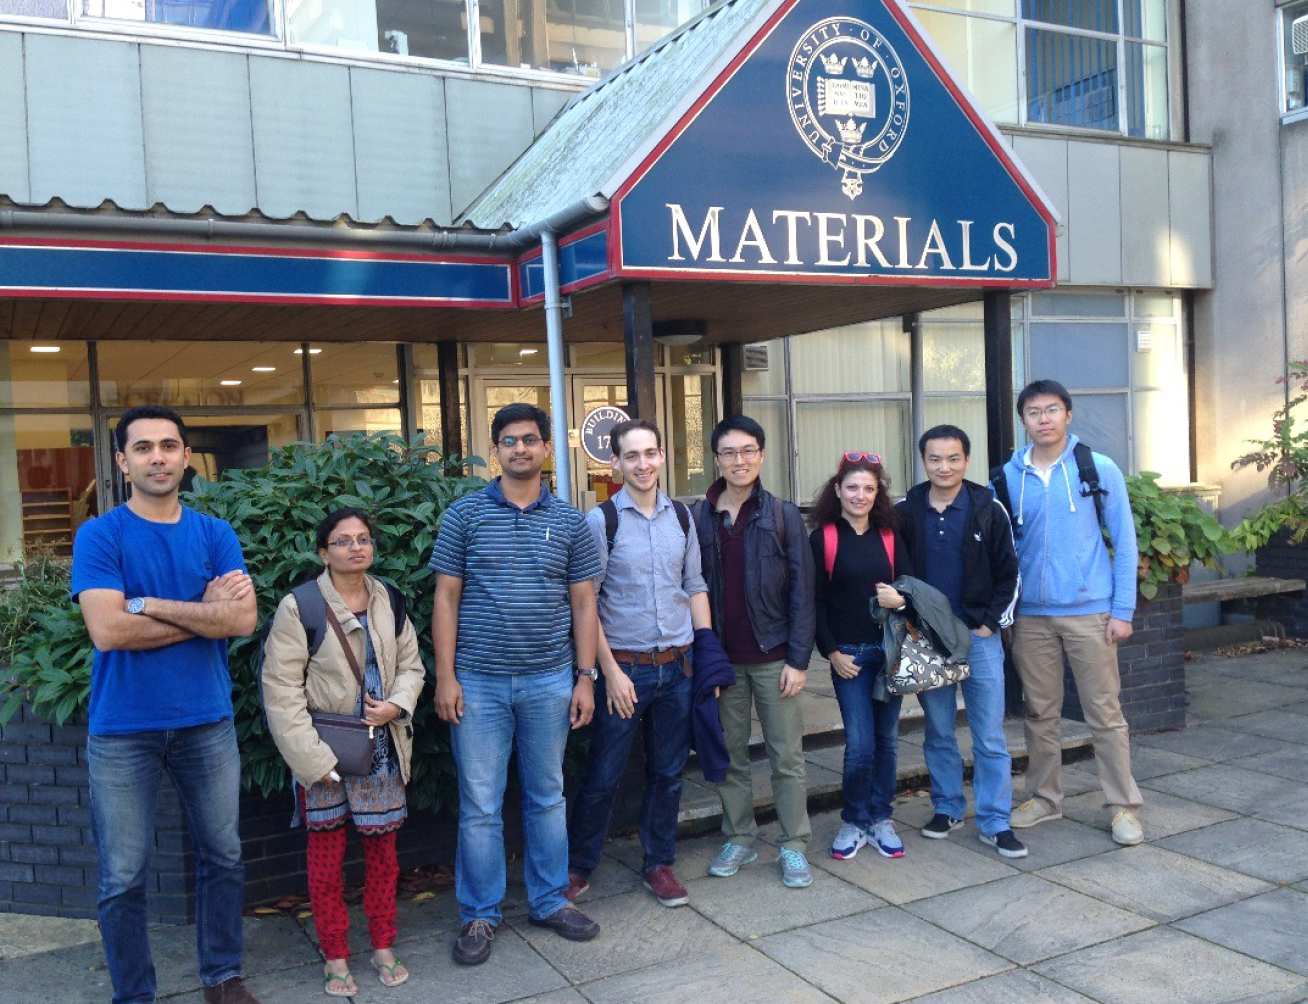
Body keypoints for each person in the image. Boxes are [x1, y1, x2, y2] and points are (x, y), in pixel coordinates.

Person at [71, 405, 260, 1004]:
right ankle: (134, 995)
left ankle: (223, 978)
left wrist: (147, 604)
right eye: (145, 447)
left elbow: (244, 617)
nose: (159, 456)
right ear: (123, 462)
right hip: (124, 729)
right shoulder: (100, 535)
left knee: (224, 856)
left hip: (206, 722)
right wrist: (203, 616)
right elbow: (109, 632)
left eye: (170, 446)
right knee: (122, 876)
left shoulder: (213, 533)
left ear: (185, 458)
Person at [430, 402, 603, 966]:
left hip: (550, 680)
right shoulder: (464, 516)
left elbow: (583, 603)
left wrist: (585, 677)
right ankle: (480, 913)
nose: (520, 448)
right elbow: (446, 598)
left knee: (546, 796)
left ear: (548, 448)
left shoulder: (573, 522)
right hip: (477, 684)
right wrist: (447, 677)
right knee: (480, 804)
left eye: (530, 439)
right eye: (509, 440)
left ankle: (550, 900)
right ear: (495, 450)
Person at [261, 507, 426, 995]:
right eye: (342, 541)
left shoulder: (389, 598)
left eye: (363, 539)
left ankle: (382, 944)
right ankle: (335, 954)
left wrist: (395, 706)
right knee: (326, 859)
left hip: (382, 749)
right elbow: (281, 690)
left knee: (383, 854)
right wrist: (315, 763)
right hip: (325, 753)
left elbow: (412, 666)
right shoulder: (302, 606)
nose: (356, 548)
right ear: (323, 552)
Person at [566, 419, 715, 908]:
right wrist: (607, 672)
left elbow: (694, 586)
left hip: (677, 666)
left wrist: (706, 653)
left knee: (669, 773)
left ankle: (659, 864)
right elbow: (586, 603)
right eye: (632, 455)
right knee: (604, 776)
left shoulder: (684, 518)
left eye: (650, 453)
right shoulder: (600, 521)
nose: (643, 463)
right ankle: (579, 867)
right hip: (624, 669)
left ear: (662, 456)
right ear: (615, 463)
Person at [996, 380, 1145, 846]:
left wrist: (1122, 610)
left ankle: (1122, 806)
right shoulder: (1006, 477)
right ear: (1023, 419)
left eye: (1052, 410)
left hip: (1091, 613)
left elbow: (1125, 543)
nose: (1043, 419)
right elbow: (1001, 550)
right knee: (1040, 713)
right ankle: (1044, 798)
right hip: (1031, 617)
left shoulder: (1096, 468)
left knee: (1105, 713)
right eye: (1033, 412)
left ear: (1068, 414)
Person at [691, 415, 817, 889]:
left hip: (774, 658)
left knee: (787, 757)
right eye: (728, 452)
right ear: (716, 458)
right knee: (730, 756)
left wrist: (799, 660)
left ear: (761, 455)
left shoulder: (783, 515)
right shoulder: (699, 515)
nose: (738, 460)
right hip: (724, 661)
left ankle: (793, 844)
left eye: (747, 451)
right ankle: (739, 836)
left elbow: (804, 593)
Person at [896, 426, 1026, 859]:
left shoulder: (988, 507)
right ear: (923, 461)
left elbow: (1010, 572)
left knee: (989, 735)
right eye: (935, 459)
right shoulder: (907, 509)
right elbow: (898, 570)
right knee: (938, 730)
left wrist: (991, 624)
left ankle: (995, 821)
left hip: (979, 637)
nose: (944, 467)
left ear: (966, 460)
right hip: (929, 639)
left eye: (953, 458)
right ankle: (947, 807)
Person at [809, 451, 914, 861]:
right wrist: (831, 651)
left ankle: (880, 817)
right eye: (852, 487)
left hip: (888, 654)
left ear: (878, 494)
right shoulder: (824, 538)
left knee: (887, 741)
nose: (860, 495)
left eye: (869, 488)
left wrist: (900, 597)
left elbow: (912, 591)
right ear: (837, 490)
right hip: (849, 657)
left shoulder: (890, 536)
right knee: (860, 742)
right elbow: (813, 602)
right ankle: (854, 819)